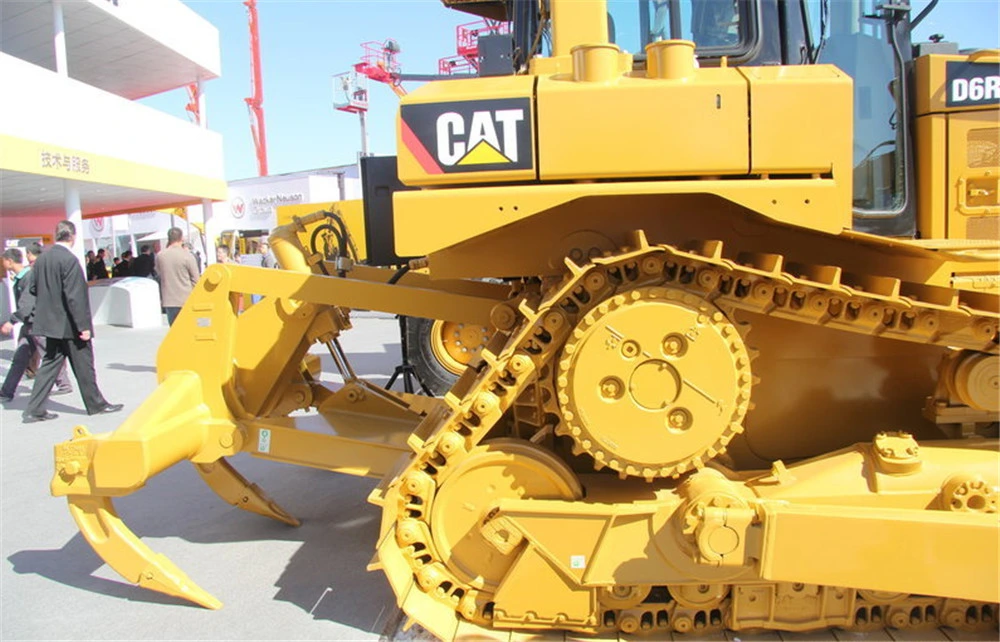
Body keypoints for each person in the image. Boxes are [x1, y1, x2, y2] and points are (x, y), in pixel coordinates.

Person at [23, 220, 123, 423]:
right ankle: (96, 404)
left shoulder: (42, 260)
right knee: (84, 365)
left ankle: (34, 409)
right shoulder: (69, 260)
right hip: (70, 325)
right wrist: (84, 326)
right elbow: (75, 296)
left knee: (49, 365)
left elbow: (33, 289)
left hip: (51, 324)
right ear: (73, 236)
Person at [0, 248, 73, 403]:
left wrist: (12, 321)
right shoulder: (21, 278)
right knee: (20, 358)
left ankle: (64, 384)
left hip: (36, 324)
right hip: (29, 324)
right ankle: (7, 391)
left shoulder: (28, 277)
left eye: (3, 261)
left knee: (49, 354)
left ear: (10, 261)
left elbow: (27, 306)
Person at [155, 227, 200, 326]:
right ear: (182, 238)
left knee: (174, 332)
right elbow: (196, 279)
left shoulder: (160, 255)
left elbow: (159, 273)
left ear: (169, 239)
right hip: (186, 298)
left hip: (169, 299)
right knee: (188, 330)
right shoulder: (187, 255)